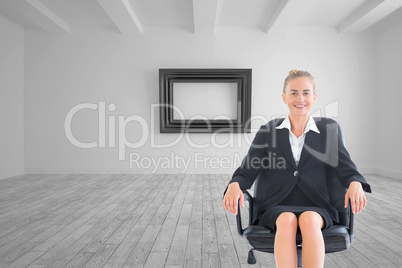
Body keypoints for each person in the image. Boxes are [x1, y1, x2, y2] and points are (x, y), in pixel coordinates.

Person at [222, 69, 371, 268]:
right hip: (276, 203)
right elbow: (247, 170)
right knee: (286, 221)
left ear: (314, 97)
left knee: (309, 221)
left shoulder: (328, 130)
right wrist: (234, 185)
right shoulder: (269, 131)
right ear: (284, 97)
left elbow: (346, 167)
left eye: (306, 93)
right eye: (293, 92)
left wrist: (354, 183)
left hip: (317, 204)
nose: (300, 98)